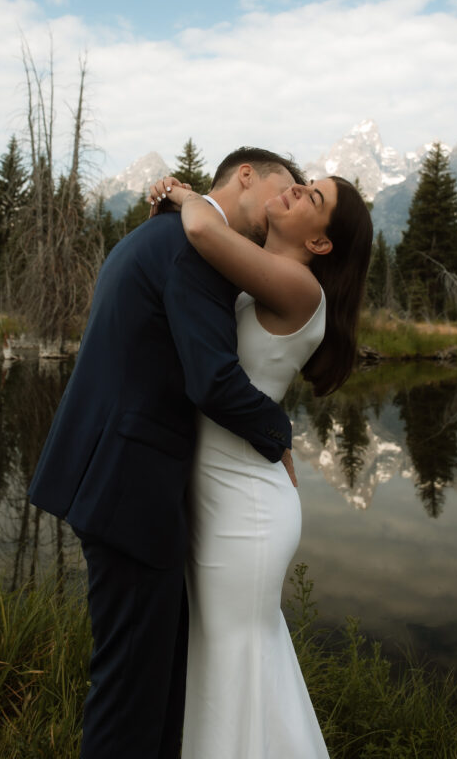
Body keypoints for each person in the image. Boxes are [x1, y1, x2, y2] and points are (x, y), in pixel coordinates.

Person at [28, 147, 305, 759]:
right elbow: (212, 380)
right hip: (130, 489)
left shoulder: (156, 233)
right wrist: (279, 431)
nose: (285, 205)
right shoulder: (192, 250)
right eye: (284, 188)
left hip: (116, 478)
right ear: (246, 176)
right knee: (129, 693)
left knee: (153, 680)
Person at [148, 172, 373, 758]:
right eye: (304, 183)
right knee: (230, 662)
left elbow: (200, 226)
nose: (298, 190)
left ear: (321, 244)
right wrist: (280, 434)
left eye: (313, 198)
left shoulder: (302, 287)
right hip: (225, 492)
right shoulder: (262, 278)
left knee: (234, 665)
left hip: (245, 510)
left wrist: (179, 192)